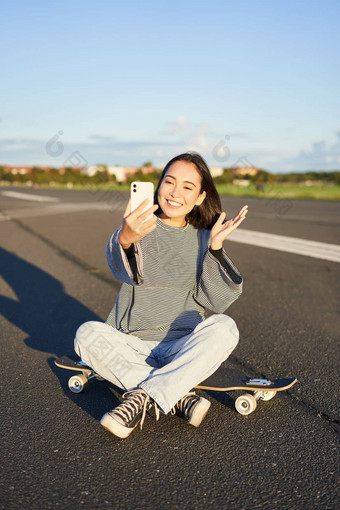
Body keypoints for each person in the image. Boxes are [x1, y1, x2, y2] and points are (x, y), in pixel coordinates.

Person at [74, 152, 248, 438]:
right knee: (86, 334)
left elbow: (216, 301)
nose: (175, 192)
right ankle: (175, 395)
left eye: (187, 187)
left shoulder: (204, 237)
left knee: (226, 328)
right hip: (132, 346)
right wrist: (126, 237)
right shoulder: (138, 227)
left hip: (181, 346)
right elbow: (122, 269)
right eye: (169, 181)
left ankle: (143, 395)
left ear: (201, 197)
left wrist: (215, 248)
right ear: (159, 185)